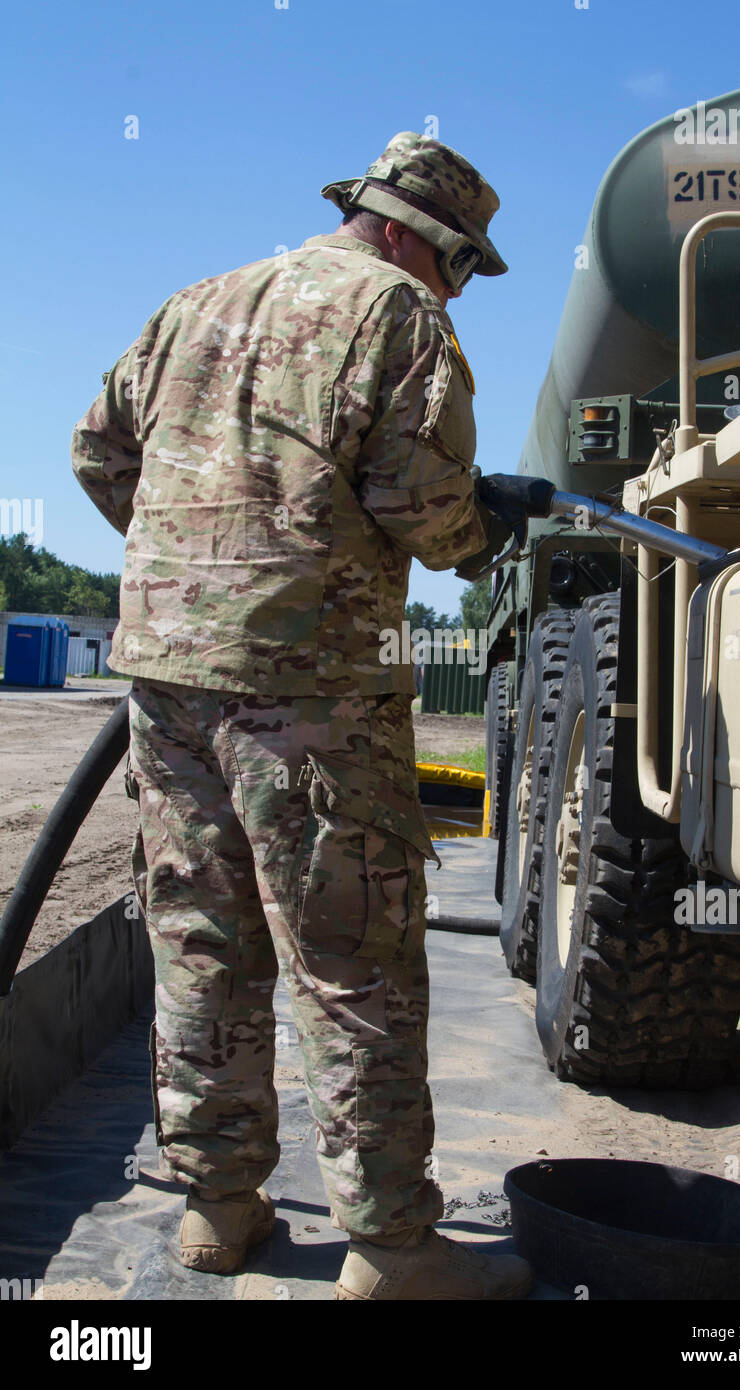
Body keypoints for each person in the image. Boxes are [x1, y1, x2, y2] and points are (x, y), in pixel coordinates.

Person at [71, 131, 530, 1300]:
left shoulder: (198, 299)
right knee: (353, 960)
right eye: (463, 263)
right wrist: (488, 529)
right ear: (414, 237)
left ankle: (218, 1208)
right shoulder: (397, 314)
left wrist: (197, 569)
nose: (458, 285)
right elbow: (417, 503)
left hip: (168, 686)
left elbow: (97, 450)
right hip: (314, 695)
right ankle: (387, 1246)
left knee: (201, 943)